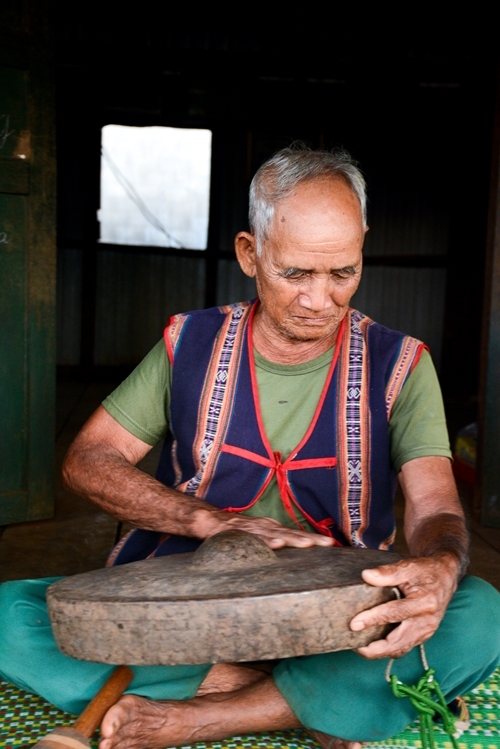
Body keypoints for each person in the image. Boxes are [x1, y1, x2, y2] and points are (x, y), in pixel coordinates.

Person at [1, 147, 500, 749]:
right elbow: (88, 460)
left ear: (362, 247)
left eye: (342, 272)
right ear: (250, 252)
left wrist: (442, 566)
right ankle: (304, 696)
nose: (320, 300)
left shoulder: (401, 363)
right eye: (296, 274)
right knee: (14, 616)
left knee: (480, 616)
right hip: (180, 615)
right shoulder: (190, 343)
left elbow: (435, 506)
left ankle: (204, 712)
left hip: (338, 621)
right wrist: (204, 520)